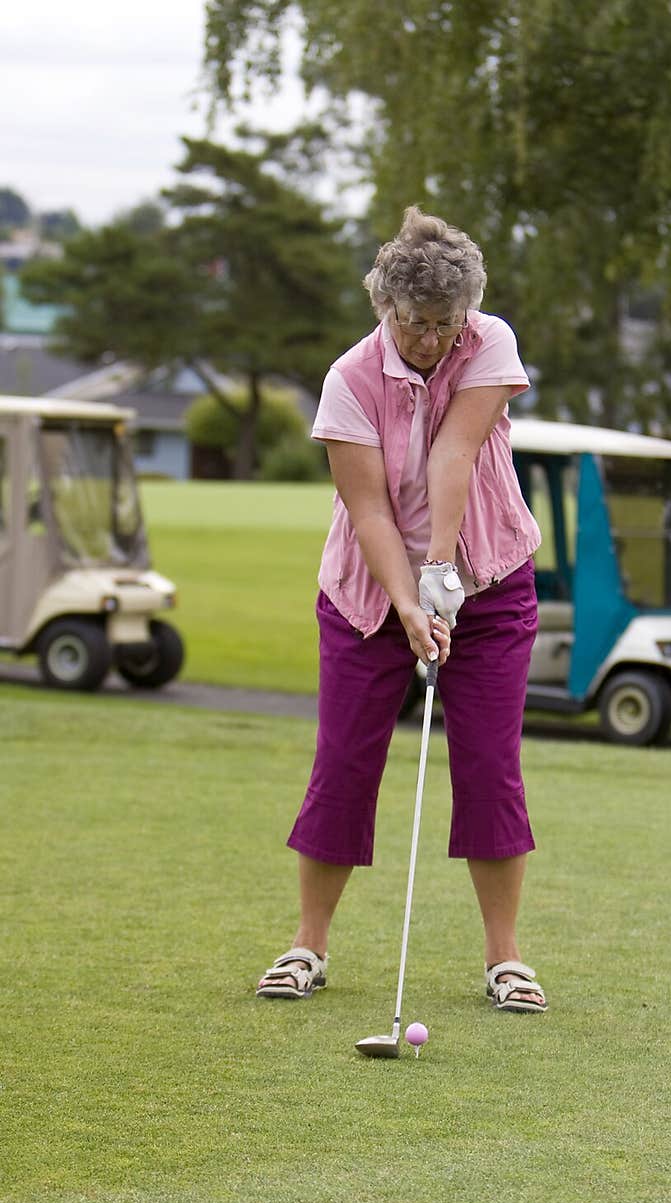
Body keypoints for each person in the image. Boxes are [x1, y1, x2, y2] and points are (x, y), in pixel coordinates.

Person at [256, 205, 547, 1014]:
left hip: (487, 580)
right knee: (345, 761)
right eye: (414, 322)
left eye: (444, 323)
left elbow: (456, 450)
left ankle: (506, 960)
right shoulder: (350, 379)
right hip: (366, 595)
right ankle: (308, 945)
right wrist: (408, 599)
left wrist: (444, 571)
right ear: (385, 308)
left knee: (490, 766)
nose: (429, 339)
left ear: (467, 314)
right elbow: (372, 510)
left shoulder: (488, 342)